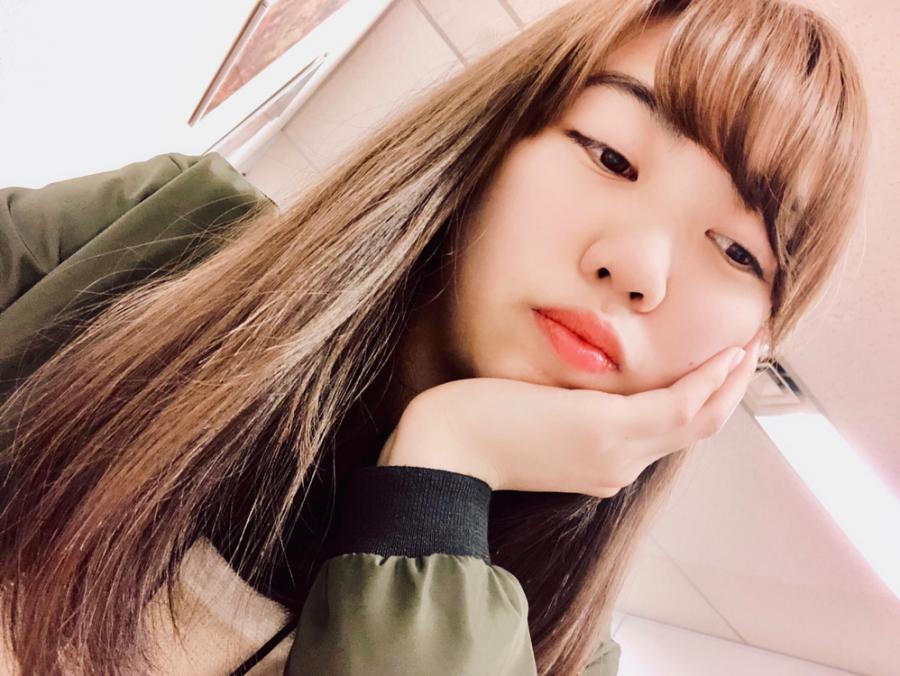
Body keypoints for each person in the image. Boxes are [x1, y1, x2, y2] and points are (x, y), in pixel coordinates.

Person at [0, 0, 869, 673]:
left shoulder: (553, 654)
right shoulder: (170, 233)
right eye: (610, 157)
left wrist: (444, 475)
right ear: (495, 138)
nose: (638, 266)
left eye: (737, 251)